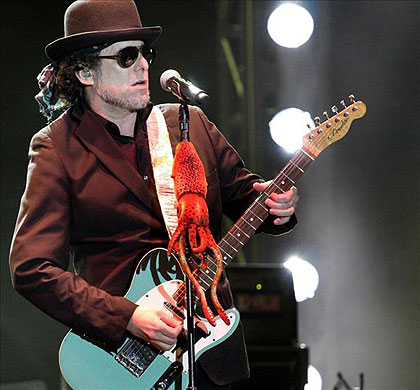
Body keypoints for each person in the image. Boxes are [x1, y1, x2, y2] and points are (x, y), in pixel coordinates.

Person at [9, 1, 299, 389]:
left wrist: (276, 206)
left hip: (212, 357)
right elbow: (31, 269)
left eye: (146, 53)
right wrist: (125, 316)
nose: (144, 65)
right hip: (122, 360)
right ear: (84, 72)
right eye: (127, 56)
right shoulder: (57, 147)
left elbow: (247, 199)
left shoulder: (189, 125)